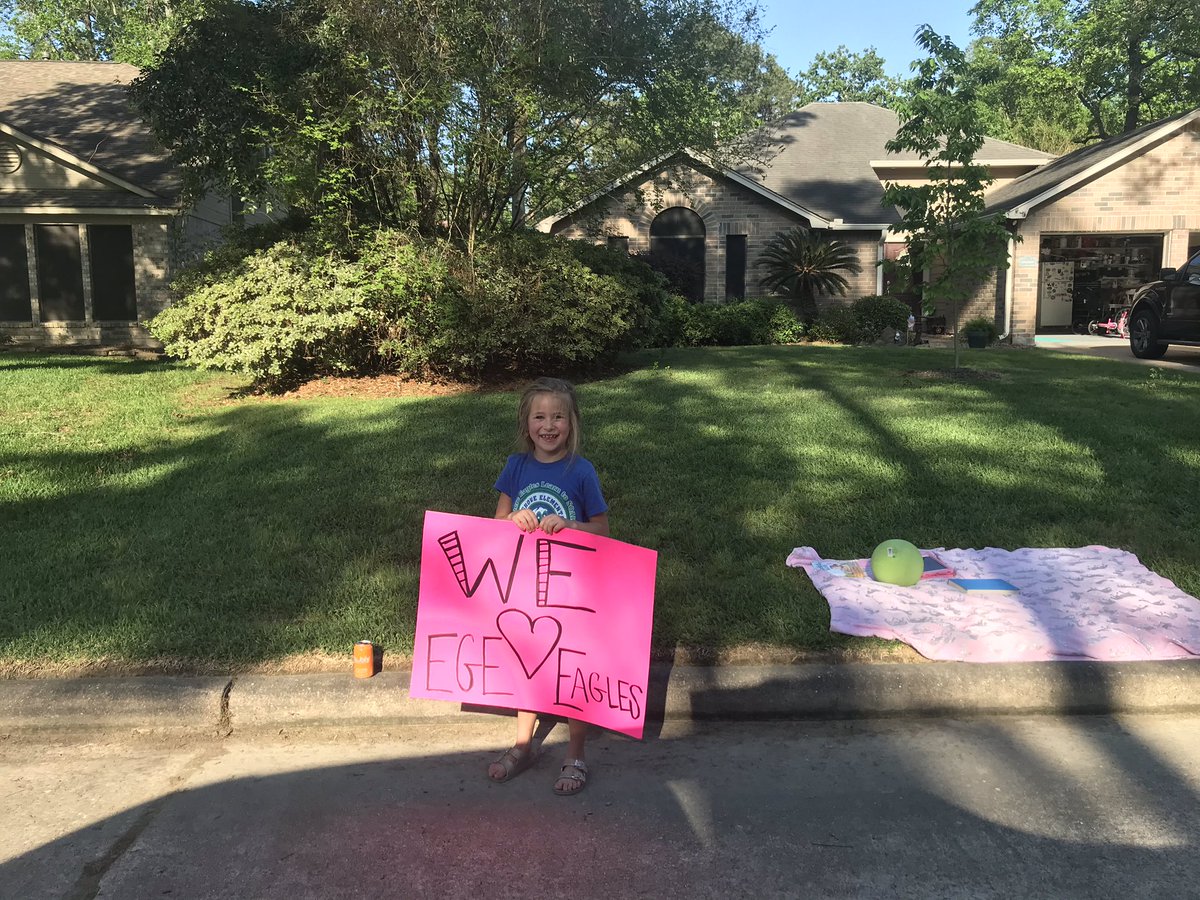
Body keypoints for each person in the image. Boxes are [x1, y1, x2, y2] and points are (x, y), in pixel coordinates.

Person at [488, 377, 609, 796]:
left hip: (572, 589)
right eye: (540, 416)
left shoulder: (581, 470)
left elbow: (603, 530)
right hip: (525, 586)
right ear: (527, 425)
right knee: (529, 662)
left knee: (573, 670)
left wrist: (572, 525)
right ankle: (524, 744)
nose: (549, 424)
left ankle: (575, 753)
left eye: (558, 416)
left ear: (571, 423)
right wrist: (512, 519)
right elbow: (495, 524)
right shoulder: (515, 466)